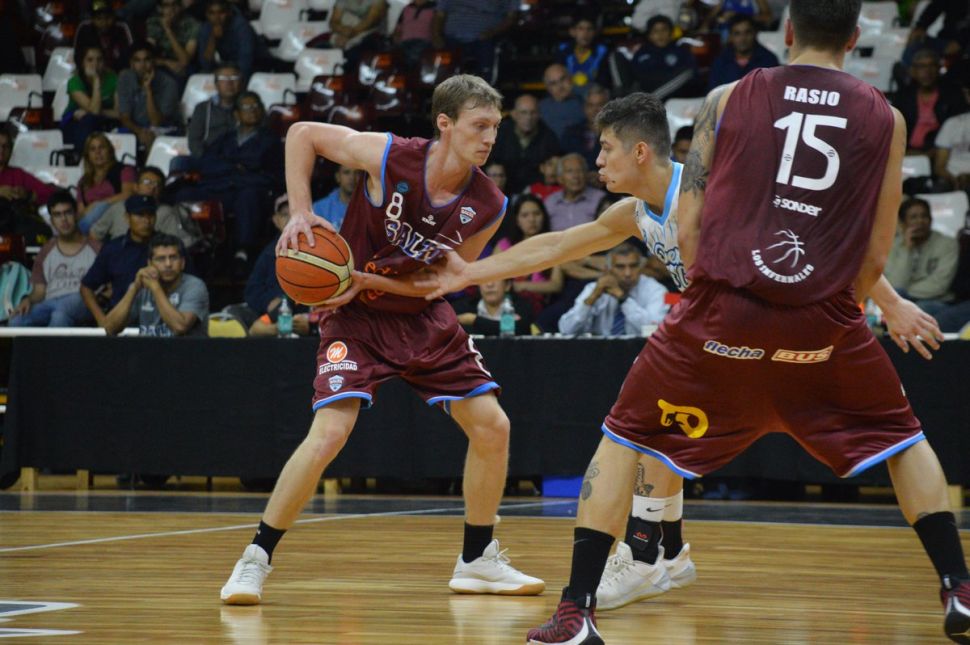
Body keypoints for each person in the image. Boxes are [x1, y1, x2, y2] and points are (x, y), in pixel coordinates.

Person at [414, 22, 958, 638]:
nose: (596, 162)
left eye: (606, 149)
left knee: (641, 428)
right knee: (657, 425)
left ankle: (644, 559)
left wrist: (890, 301)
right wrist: (470, 272)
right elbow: (557, 245)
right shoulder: (632, 213)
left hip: (763, 318)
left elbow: (806, 237)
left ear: (640, 152)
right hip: (732, 326)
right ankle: (661, 553)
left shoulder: (706, 190)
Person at [219, 74, 544, 606]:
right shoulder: (392, 156)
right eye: (479, 125)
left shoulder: (489, 203)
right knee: (329, 434)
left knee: (493, 426)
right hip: (356, 317)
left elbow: (445, 281)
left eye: (496, 127)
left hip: (421, 315)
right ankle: (254, 560)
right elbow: (302, 134)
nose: (490, 138)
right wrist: (301, 211)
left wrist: (374, 280)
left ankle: (478, 559)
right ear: (445, 124)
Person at [8, 190, 99, 328]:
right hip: (49, 303)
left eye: (68, 213)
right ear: (51, 221)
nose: (63, 219)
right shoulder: (46, 251)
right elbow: (39, 292)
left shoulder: (96, 248)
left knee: (60, 313)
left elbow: (108, 287)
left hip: (82, 301)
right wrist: (28, 299)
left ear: (76, 215)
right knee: (16, 320)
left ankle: (49, 343)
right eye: (57, 215)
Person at [103, 232, 209, 336]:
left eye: (173, 258)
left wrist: (155, 287)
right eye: (161, 259)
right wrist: (134, 288)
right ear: (150, 263)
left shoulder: (195, 286)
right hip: (148, 347)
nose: (168, 264)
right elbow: (109, 328)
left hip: (185, 348)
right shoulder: (142, 287)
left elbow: (180, 327)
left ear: (182, 263)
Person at [558, 243, 668, 336]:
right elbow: (566, 330)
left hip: (642, 350)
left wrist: (623, 299)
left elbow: (655, 330)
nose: (627, 273)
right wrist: (590, 300)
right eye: (620, 267)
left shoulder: (657, 290)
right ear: (608, 269)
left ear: (640, 268)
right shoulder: (594, 289)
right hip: (601, 351)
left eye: (633, 266)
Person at [80, 194, 157, 327]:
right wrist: (102, 320)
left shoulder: (168, 248)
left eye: (150, 215)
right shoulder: (114, 249)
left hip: (160, 324)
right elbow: (86, 287)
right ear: (127, 217)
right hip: (122, 325)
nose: (146, 221)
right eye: (140, 215)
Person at [884, 197, 960, 314]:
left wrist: (905, 291)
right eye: (913, 217)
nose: (920, 221)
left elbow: (939, 285)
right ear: (902, 224)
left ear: (931, 220)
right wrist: (907, 249)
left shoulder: (947, 244)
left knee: (916, 309)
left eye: (924, 216)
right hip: (901, 298)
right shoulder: (893, 245)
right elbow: (895, 284)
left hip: (935, 300)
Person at [493, 194, 563, 315]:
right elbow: (492, 277)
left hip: (540, 310)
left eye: (536, 214)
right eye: (525, 215)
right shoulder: (504, 245)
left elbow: (556, 285)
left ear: (544, 216)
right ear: (517, 220)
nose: (532, 219)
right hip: (506, 305)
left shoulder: (554, 245)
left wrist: (522, 286)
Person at [490, 94, 561, 195]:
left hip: (535, 193)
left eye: (533, 113)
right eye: (524, 113)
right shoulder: (499, 134)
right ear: (514, 114)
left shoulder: (549, 138)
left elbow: (552, 173)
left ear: (539, 114)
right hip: (503, 190)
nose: (528, 117)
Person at [117, 41, 182, 150]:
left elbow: (155, 122)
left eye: (147, 60)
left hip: (166, 129)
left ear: (154, 62)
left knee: (149, 137)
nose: (142, 65)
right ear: (131, 64)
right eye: (137, 60)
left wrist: (148, 91)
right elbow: (124, 117)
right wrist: (140, 131)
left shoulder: (169, 84)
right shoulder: (125, 78)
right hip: (136, 127)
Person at [75, 133, 137, 235]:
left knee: (102, 207)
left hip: (115, 218)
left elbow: (128, 195)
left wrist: (98, 204)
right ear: (88, 155)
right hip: (90, 223)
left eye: (102, 147)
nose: (98, 152)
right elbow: (81, 213)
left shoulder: (124, 170)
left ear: (109, 151)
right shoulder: (83, 181)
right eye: (93, 149)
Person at [62, 45, 121, 150]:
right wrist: (96, 80)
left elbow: (119, 113)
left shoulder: (113, 79)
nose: (95, 64)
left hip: (105, 122)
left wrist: (92, 112)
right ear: (82, 63)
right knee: (88, 120)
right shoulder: (74, 82)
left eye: (99, 60)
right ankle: (82, 157)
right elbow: (94, 111)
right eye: (90, 60)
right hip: (76, 123)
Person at [185, 63, 243, 158]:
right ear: (216, 84)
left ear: (241, 83)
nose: (229, 83)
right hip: (207, 156)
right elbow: (194, 140)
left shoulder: (247, 107)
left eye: (234, 78)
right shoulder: (202, 108)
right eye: (223, 79)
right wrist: (206, 158)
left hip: (237, 157)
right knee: (178, 162)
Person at [707, 14, 779, 90]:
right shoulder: (720, 62)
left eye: (747, 32)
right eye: (737, 34)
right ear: (730, 36)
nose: (743, 39)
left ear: (755, 33)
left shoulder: (769, 61)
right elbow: (713, 93)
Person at [197, 0, 258, 81]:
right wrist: (212, 38)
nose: (217, 18)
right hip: (230, 68)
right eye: (212, 13)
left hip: (257, 66)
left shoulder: (241, 27)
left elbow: (246, 63)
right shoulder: (206, 29)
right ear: (206, 15)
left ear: (229, 13)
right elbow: (206, 64)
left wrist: (227, 75)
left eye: (221, 12)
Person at [451, 278, 534, 336]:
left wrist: (475, 320)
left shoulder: (521, 308)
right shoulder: (462, 308)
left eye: (495, 278)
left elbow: (519, 330)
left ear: (507, 285)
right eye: (484, 279)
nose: (489, 284)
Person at [146, 0, 200, 80]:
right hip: (160, 63)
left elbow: (185, 61)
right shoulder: (154, 22)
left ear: (180, 7)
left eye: (175, 4)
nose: (171, 9)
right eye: (166, 5)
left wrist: (168, 30)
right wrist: (165, 63)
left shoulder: (192, 24)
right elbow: (146, 54)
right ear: (160, 8)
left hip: (184, 67)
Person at [539, 63, 586, 145]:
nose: (560, 86)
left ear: (570, 78)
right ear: (548, 88)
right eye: (553, 83)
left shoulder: (587, 100)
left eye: (562, 79)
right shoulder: (540, 108)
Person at [311, 165, 359, 231]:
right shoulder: (319, 208)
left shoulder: (368, 207)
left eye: (357, 173)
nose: (352, 177)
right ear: (338, 177)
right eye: (346, 172)